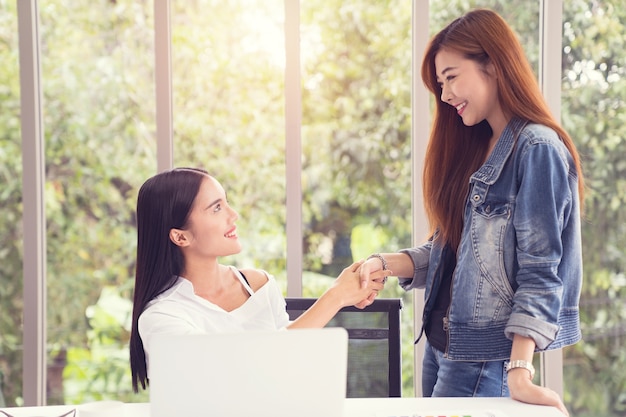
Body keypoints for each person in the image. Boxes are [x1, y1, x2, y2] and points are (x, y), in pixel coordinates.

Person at [359, 8, 583, 416]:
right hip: (443, 348)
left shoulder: (537, 149)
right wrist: (384, 264)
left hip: (484, 362)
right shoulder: (480, 147)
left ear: (493, 66)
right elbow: (460, 255)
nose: (444, 96)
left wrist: (519, 370)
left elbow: (540, 271)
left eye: (450, 77)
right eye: (440, 84)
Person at [129, 167, 388, 393]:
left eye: (226, 203)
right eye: (216, 208)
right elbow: (232, 379)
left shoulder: (259, 285)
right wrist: (335, 298)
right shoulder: (162, 317)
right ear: (180, 237)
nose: (233, 215)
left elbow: (289, 364)